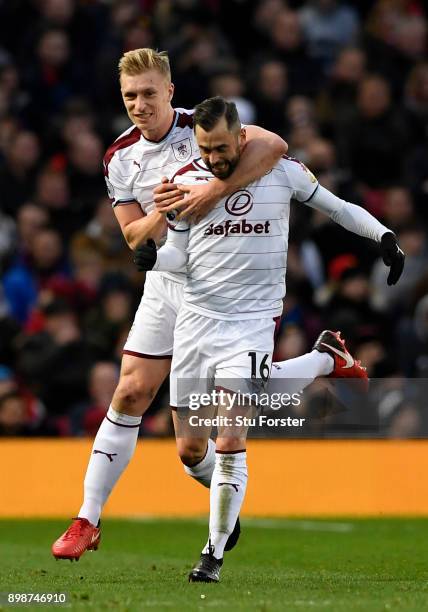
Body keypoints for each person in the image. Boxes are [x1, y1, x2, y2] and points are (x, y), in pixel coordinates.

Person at [135, 96, 405, 582]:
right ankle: (324, 359)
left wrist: (383, 235)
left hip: (252, 320)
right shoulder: (184, 185)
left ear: (242, 137)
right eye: (205, 148)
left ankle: (212, 554)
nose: (214, 158)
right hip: (196, 321)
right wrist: (155, 260)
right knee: (191, 451)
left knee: (232, 435)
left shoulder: (281, 171)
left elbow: (337, 208)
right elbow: (179, 256)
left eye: (221, 147)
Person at [51, 47, 289, 560]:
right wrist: (160, 211)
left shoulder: (203, 123)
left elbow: (274, 146)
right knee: (131, 392)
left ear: (170, 93)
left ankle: (223, 494)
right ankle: (86, 519)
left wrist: (213, 190)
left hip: (224, 291)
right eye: (130, 96)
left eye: (149, 94)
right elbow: (133, 238)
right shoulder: (120, 157)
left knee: (190, 447)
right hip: (167, 286)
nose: (140, 104)